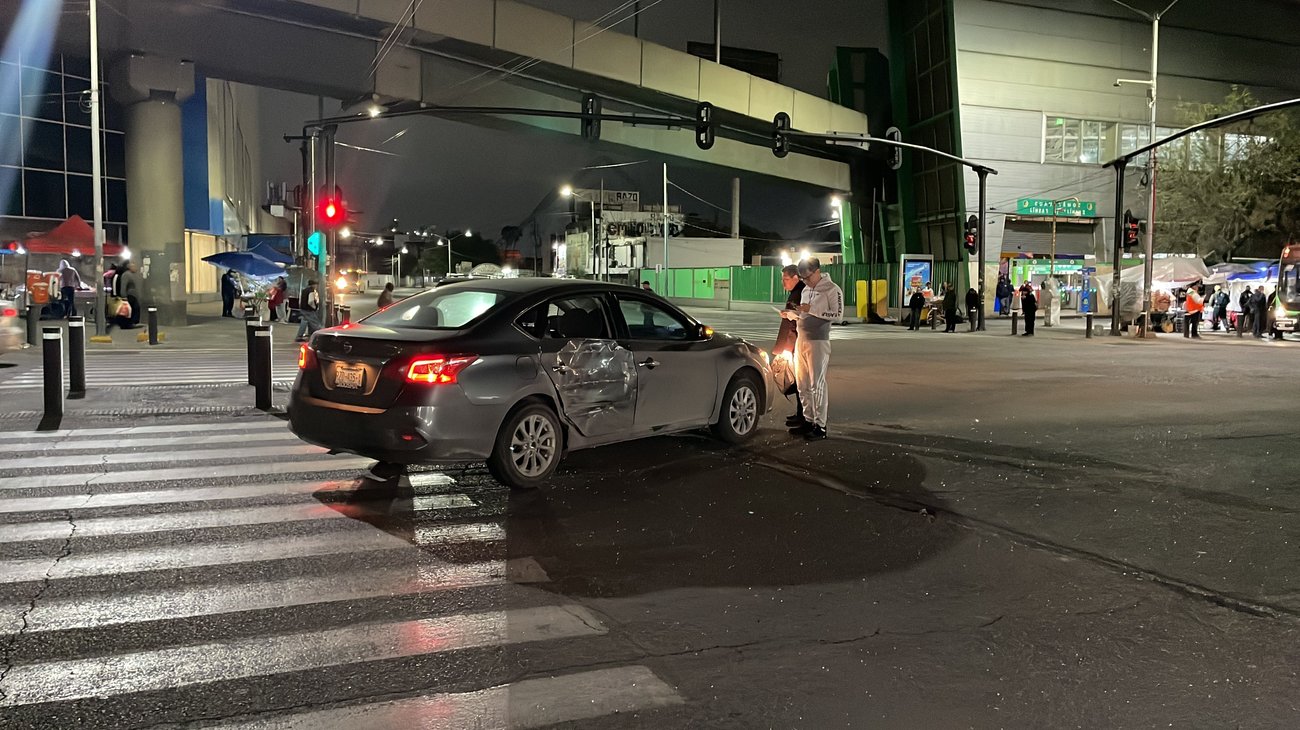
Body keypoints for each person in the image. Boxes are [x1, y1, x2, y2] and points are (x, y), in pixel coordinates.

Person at [788, 258, 843, 441]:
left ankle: (820, 426)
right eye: (802, 278)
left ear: (817, 271)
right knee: (802, 383)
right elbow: (804, 312)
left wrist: (812, 310)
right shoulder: (806, 289)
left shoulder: (832, 289)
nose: (805, 281)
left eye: (807, 277)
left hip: (818, 341)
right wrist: (794, 314)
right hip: (801, 339)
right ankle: (808, 419)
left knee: (816, 384)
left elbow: (838, 315)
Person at [774, 264, 805, 427]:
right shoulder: (797, 292)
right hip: (795, 342)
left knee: (800, 380)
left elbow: (799, 320)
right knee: (798, 380)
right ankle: (801, 414)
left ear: (795, 278)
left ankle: (803, 416)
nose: (783, 283)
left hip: (797, 343)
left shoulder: (800, 293)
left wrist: (787, 347)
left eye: (785, 279)